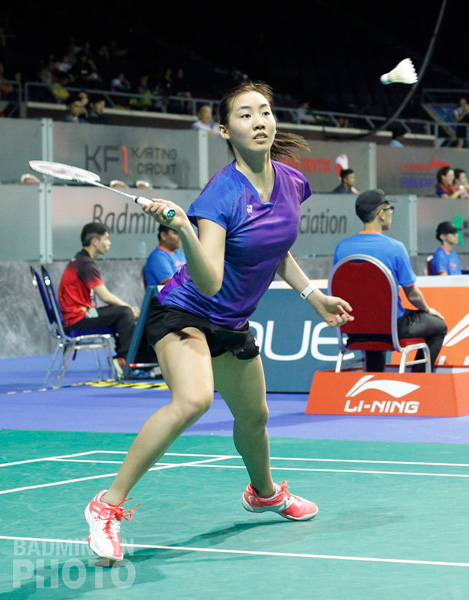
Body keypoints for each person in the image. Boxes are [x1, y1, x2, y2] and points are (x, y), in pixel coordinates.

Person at [84, 80, 354, 562]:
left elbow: (273, 247)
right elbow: (209, 281)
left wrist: (313, 295)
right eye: (245, 115)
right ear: (225, 131)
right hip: (186, 309)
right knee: (194, 399)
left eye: (265, 111)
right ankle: (106, 505)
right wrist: (186, 229)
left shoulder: (291, 182)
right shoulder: (220, 195)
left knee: (255, 417)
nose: (259, 122)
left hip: (231, 321)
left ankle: (264, 494)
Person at [334, 189, 447, 373]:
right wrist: (427, 309)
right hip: (391, 330)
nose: (391, 214)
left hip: (356, 330)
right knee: (439, 326)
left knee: (374, 317)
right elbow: (412, 294)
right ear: (381, 214)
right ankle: (419, 381)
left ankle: (373, 376)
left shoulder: (342, 248)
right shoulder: (395, 248)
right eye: (390, 210)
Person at [58, 223, 140, 374]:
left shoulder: (80, 260)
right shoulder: (85, 264)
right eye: (106, 239)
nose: (109, 243)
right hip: (78, 319)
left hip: (79, 315)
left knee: (120, 312)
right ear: (95, 241)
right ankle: (124, 361)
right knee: (124, 313)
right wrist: (130, 308)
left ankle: (124, 359)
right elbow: (105, 296)